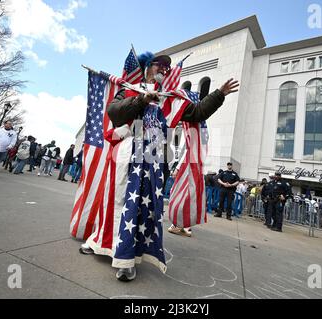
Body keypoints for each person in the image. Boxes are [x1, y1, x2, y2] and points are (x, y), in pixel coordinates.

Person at [77, 51, 239, 282]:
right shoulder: (131, 89)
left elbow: (198, 112)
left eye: (167, 67)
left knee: (142, 208)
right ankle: (101, 242)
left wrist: (219, 94)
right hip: (126, 155)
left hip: (154, 159)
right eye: (159, 64)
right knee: (115, 200)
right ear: (147, 67)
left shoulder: (171, 99)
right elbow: (114, 113)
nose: (164, 69)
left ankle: (127, 258)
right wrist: (141, 99)